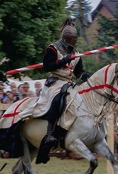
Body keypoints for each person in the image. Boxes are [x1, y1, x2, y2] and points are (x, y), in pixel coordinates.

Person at [20, 18, 88, 164]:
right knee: (59, 97)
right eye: (71, 39)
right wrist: (63, 61)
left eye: (74, 40)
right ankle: (50, 132)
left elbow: (78, 73)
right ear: (66, 39)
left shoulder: (76, 53)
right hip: (55, 83)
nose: (73, 42)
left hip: (69, 83)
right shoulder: (53, 48)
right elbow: (47, 66)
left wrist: (85, 76)